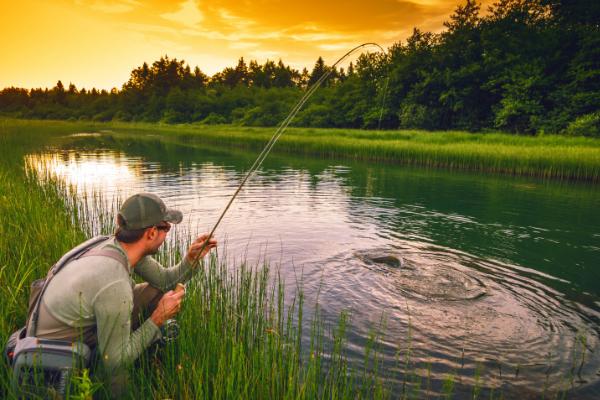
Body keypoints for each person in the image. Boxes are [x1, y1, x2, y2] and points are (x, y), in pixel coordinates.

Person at [33, 192, 217, 394]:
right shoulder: (114, 282)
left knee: (156, 290)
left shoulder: (115, 245)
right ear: (151, 233)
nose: (168, 233)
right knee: (118, 372)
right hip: (60, 352)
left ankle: (133, 342)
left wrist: (191, 259)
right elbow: (113, 362)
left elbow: (165, 281)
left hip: (74, 325)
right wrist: (157, 318)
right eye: (166, 227)